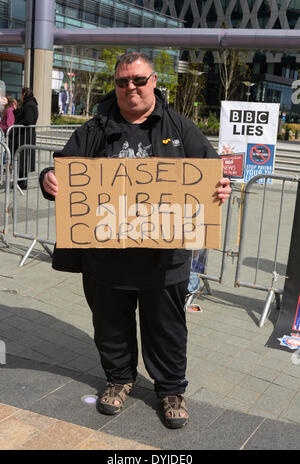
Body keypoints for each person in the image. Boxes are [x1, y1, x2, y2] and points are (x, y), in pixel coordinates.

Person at [40, 52, 231, 429]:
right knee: (110, 325)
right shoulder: (95, 128)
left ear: (155, 81)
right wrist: (49, 177)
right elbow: (64, 167)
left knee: (168, 330)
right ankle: (119, 378)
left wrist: (221, 187)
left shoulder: (180, 126)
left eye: (139, 80)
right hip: (105, 257)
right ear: (115, 85)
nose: (131, 88)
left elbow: (212, 172)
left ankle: (171, 389)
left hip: (165, 260)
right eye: (123, 81)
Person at [13, 87, 39, 189]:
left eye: (21, 93)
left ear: (24, 94)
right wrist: (16, 111)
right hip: (25, 135)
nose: (20, 95)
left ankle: (22, 183)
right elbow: (23, 116)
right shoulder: (29, 104)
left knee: (23, 159)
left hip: (25, 135)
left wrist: (16, 126)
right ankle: (21, 182)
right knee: (22, 158)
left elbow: (28, 120)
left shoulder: (29, 105)